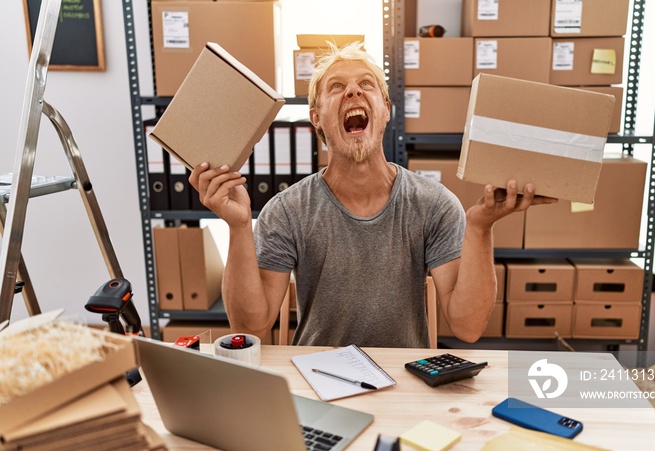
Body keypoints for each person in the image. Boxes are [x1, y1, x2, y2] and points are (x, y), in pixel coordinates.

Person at [189, 42, 557, 348]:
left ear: (385, 111)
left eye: (366, 84)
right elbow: (251, 328)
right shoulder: (287, 211)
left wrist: (479, 228)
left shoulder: (434, 204)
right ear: (316, 117)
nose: (352, 91)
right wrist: (239, 227)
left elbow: (468, 326)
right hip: (315, 378)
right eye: (336, 87)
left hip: (406, 382)